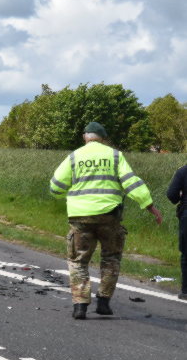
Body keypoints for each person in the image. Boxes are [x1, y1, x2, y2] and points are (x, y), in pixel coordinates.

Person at [49, 122, 162, 319]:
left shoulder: (74, 157)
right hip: (110, 216)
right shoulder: (115, 156)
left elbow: (56, 186)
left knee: (78, 261)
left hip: (80, 217)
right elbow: (131, 182)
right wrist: (149, 205)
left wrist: (66, 194)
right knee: (111, 258)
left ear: (85, 137)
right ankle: (103, 302)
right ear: (103, 137)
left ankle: (80, 305)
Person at [166, 165, 187, 300]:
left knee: (186, 254)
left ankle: (185, 290)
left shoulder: (183, 171)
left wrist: (180, 197)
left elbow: (171, 194)